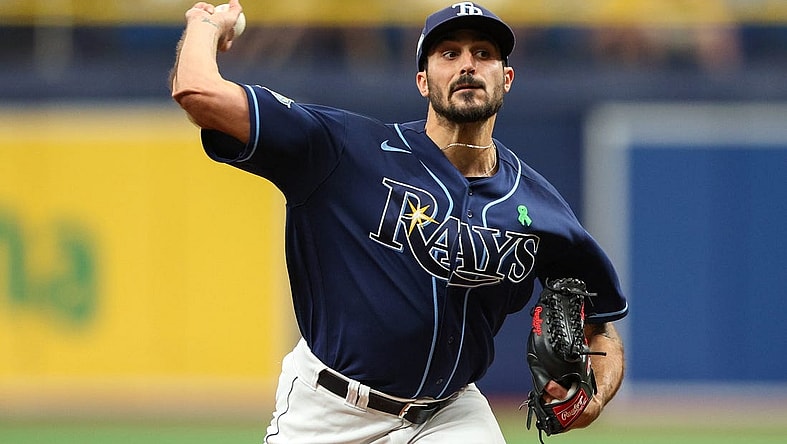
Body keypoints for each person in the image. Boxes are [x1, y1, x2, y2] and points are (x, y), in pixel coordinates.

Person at [170, 1, 628, 442]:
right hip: (330, 410)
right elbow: (197, 92)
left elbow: (601, 326)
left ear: (506, 79)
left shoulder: (539, 206)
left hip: (450, 414)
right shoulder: (345, 150)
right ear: (423, 81)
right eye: (449, 54)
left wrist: (594, 397)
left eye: (483, 54)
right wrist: (206, 23)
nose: (467, 65)